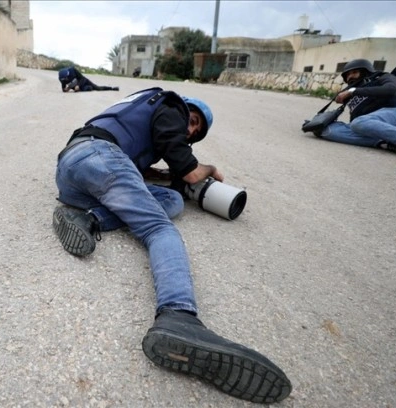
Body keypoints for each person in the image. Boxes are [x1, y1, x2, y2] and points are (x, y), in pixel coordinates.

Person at [52, 87, 291, 403]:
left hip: (71, 173)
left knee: (171, 199)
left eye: (195, 131)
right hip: (99, 157)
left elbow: (131, 159)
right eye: (192, 122)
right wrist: (204, 170)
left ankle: (88, 219)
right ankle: (179, 315)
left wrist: (164, 174)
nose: (190, 129)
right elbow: (188, 167)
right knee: (159, 230)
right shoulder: (172, 104)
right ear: (185, 110)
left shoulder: (139, 111)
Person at [318, 58, 396, 162]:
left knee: (358, 122)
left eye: (354, 72)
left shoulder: (382, 77)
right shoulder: (351, 96)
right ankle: (388, 143)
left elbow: (391, 89)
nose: (350, 76)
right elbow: (358, 126)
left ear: (366, 71)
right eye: (347, 75)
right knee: (328, 130)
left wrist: (353, 91)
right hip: (375, 125)